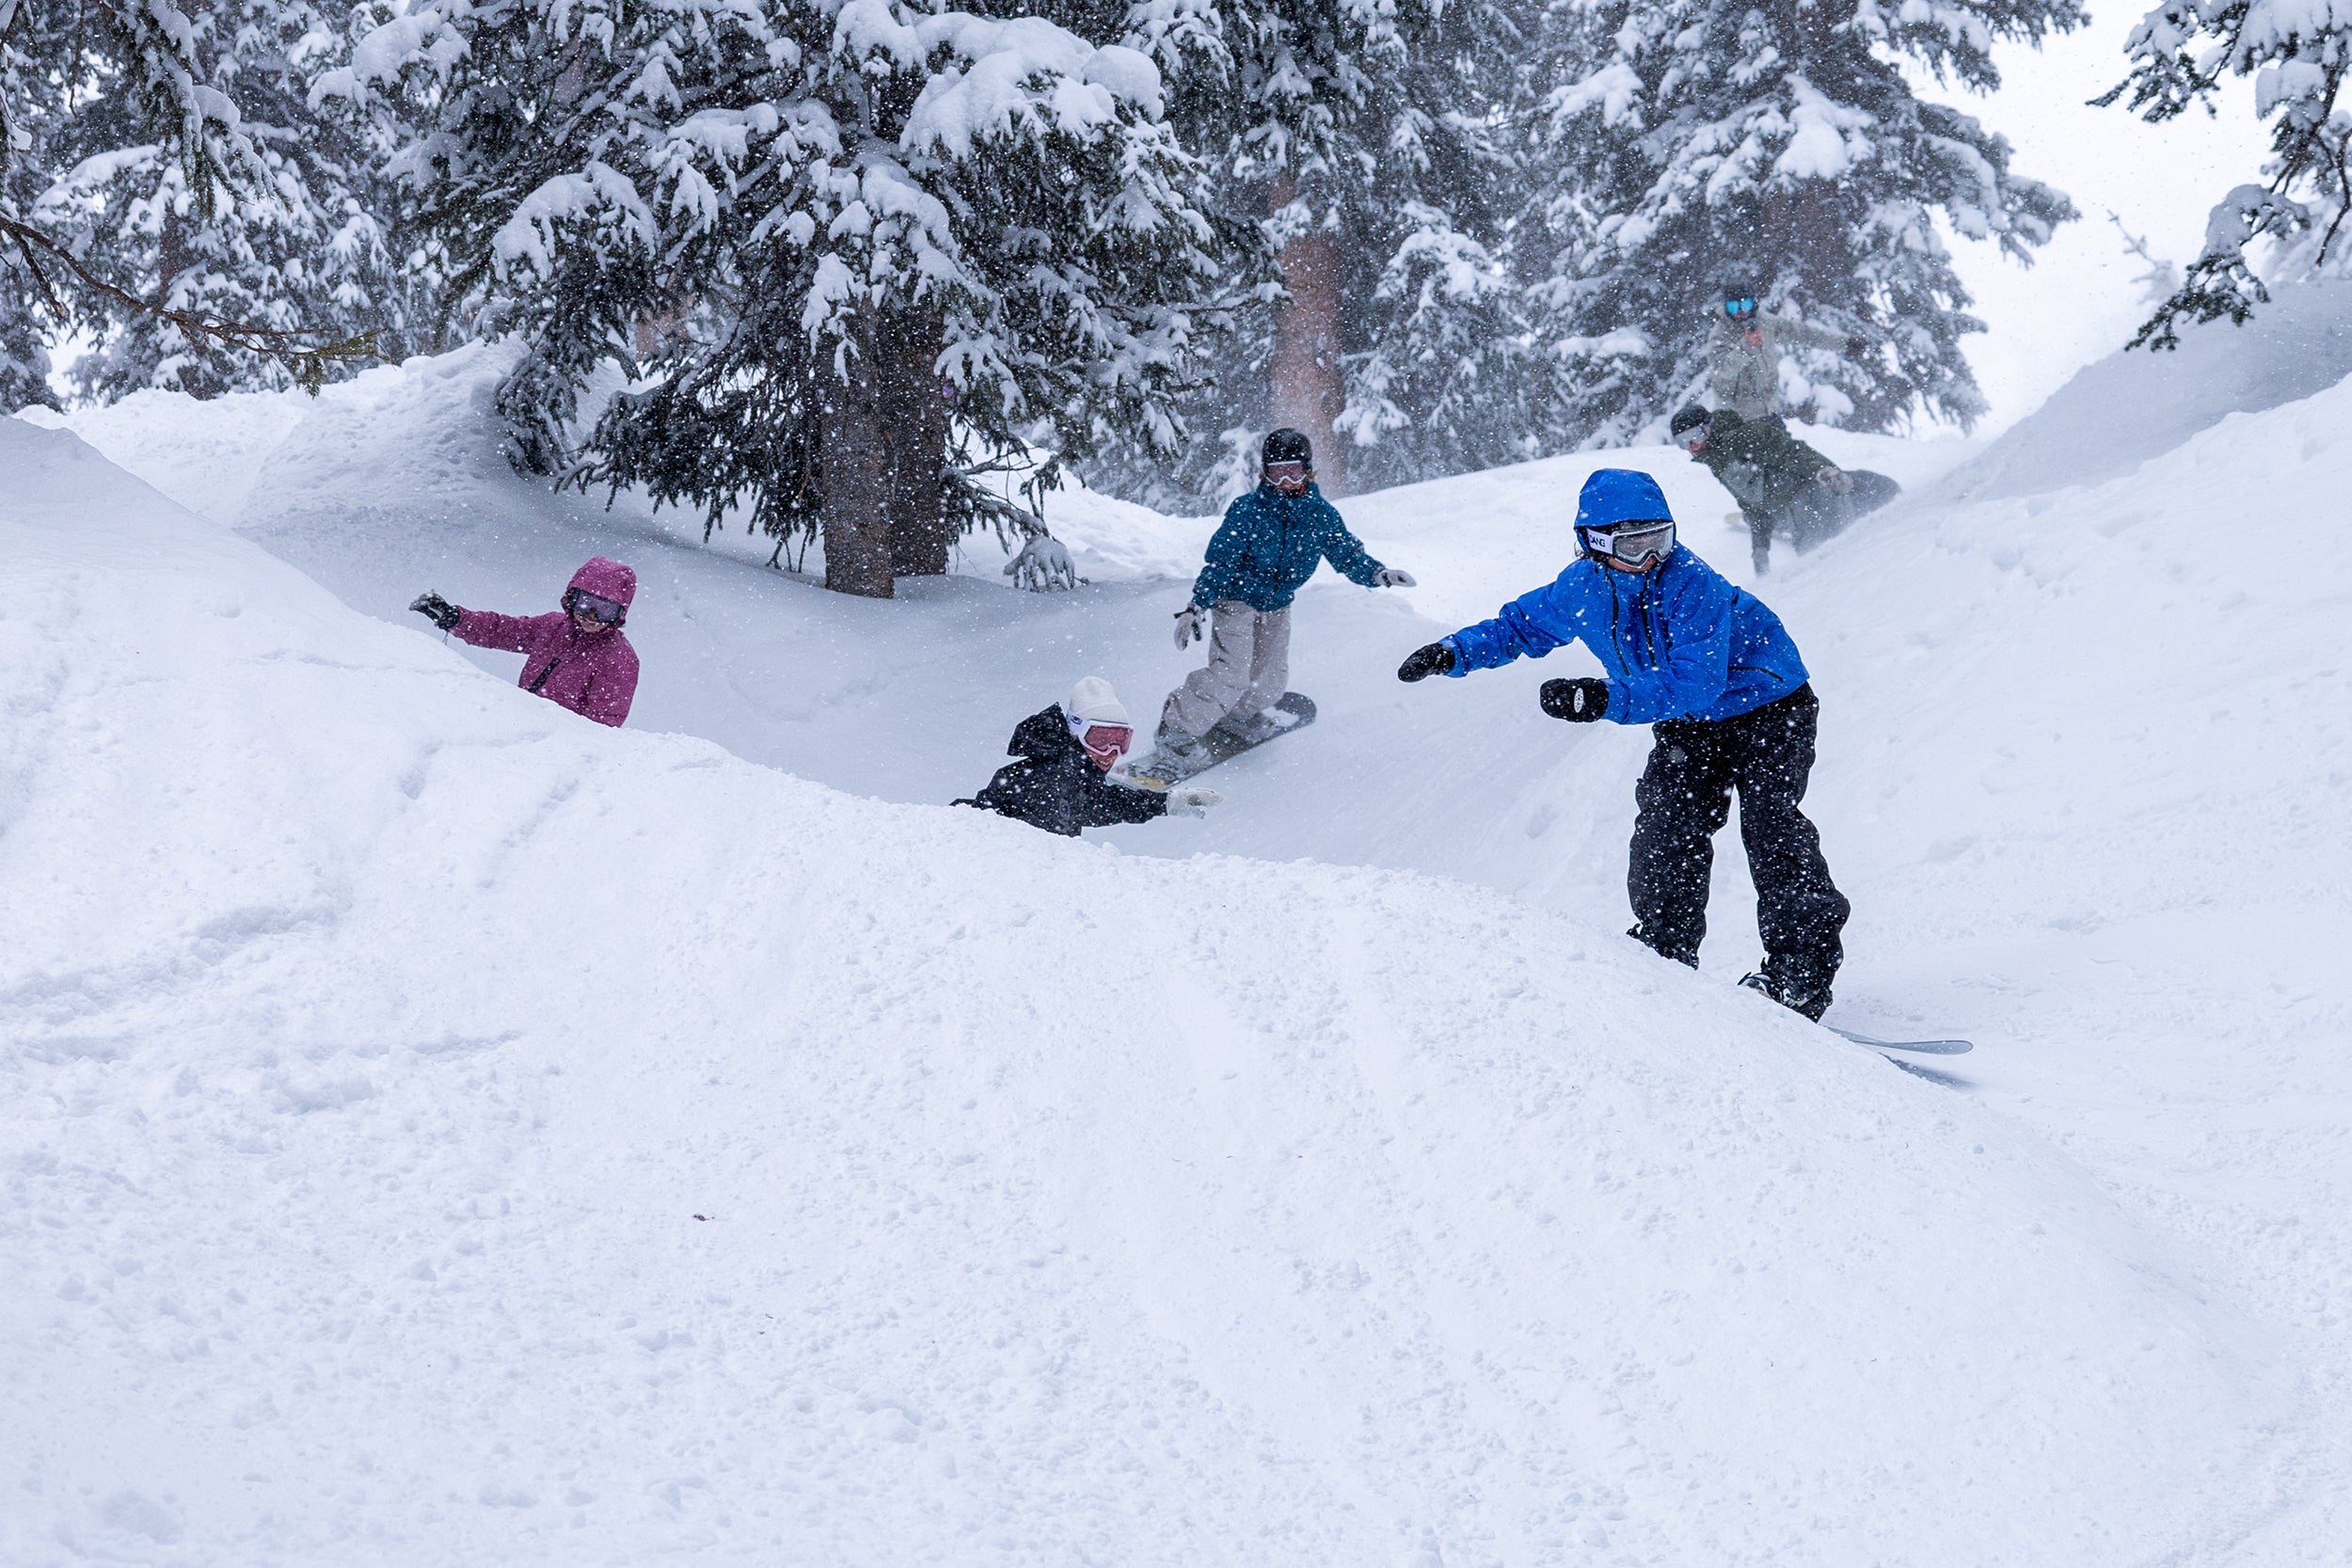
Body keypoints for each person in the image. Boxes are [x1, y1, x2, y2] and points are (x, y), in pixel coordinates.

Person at [1394, 468, 1850, 1021]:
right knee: (1667, 824)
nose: (1651, 557)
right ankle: (1663, 950)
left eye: (1660, 539)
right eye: (1635, 545)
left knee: (1771, 826)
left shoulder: (1692, 583)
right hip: (1691, 723)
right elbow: (1519, 627)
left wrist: (1602, 698)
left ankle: (1799, 974)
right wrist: (1453, 652)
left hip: (1769, 708)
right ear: (1596, 543)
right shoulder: (1580, 587)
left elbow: (1697, 681)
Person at [1152, 428, 1415, 767]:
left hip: (1278, 604)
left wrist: (1378, 574)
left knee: (1270, 679)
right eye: (1278, 473)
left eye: (1294, 471)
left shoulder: (1319, 514)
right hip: (1236, 600)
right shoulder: (1248, 511)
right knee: (1231, 674)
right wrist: (1197, 605)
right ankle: (1177, 730)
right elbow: (1221, 561)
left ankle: (1236, 717)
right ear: (1265, 473)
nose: (1286, 481)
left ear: (1308, 470)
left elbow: (1346, 554)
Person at [959, 677, 1221, 836]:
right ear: (1076, 733)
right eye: (1101, 739)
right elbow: (1049, 858)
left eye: (1120, 741)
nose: (1111, 753)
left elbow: (1102, 803)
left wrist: (1164, 803)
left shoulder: (1071, 774)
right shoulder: (1045, 782)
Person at [408, 557, 642, 727]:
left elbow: (602, 724)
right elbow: (501, 630)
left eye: (604, 610)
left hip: (559, 743)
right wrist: (457, 620)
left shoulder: (617, 659)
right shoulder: (553, 627)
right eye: (585, 604)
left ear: (619, 613)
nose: (591, 616)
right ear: (572, 599)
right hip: (522, 727)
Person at [1671, 404, 1853, 577]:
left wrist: (1824, 470)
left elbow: (1793, 452)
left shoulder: (1742, 438)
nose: (1692, 446)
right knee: (1816, 561)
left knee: (1825, 564)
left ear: (1709, 427)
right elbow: (1751, 501)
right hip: (1788, 514)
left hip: (1813, 499)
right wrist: (1760, 546)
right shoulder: (1717, 460)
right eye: (1683, 442)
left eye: (1696, 435)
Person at [1708, 278, 1867, 423]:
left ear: (1754, 303)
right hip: (1733, 417)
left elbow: (1805, 334)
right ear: (1726, 307)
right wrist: (1747, 347)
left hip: (1767, 412)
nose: (1740, 311)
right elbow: (1722, 370)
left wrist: (1845, 344)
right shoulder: (1720, 333)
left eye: (1745, 304)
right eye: (1733, 306)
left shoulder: (1767, 323)